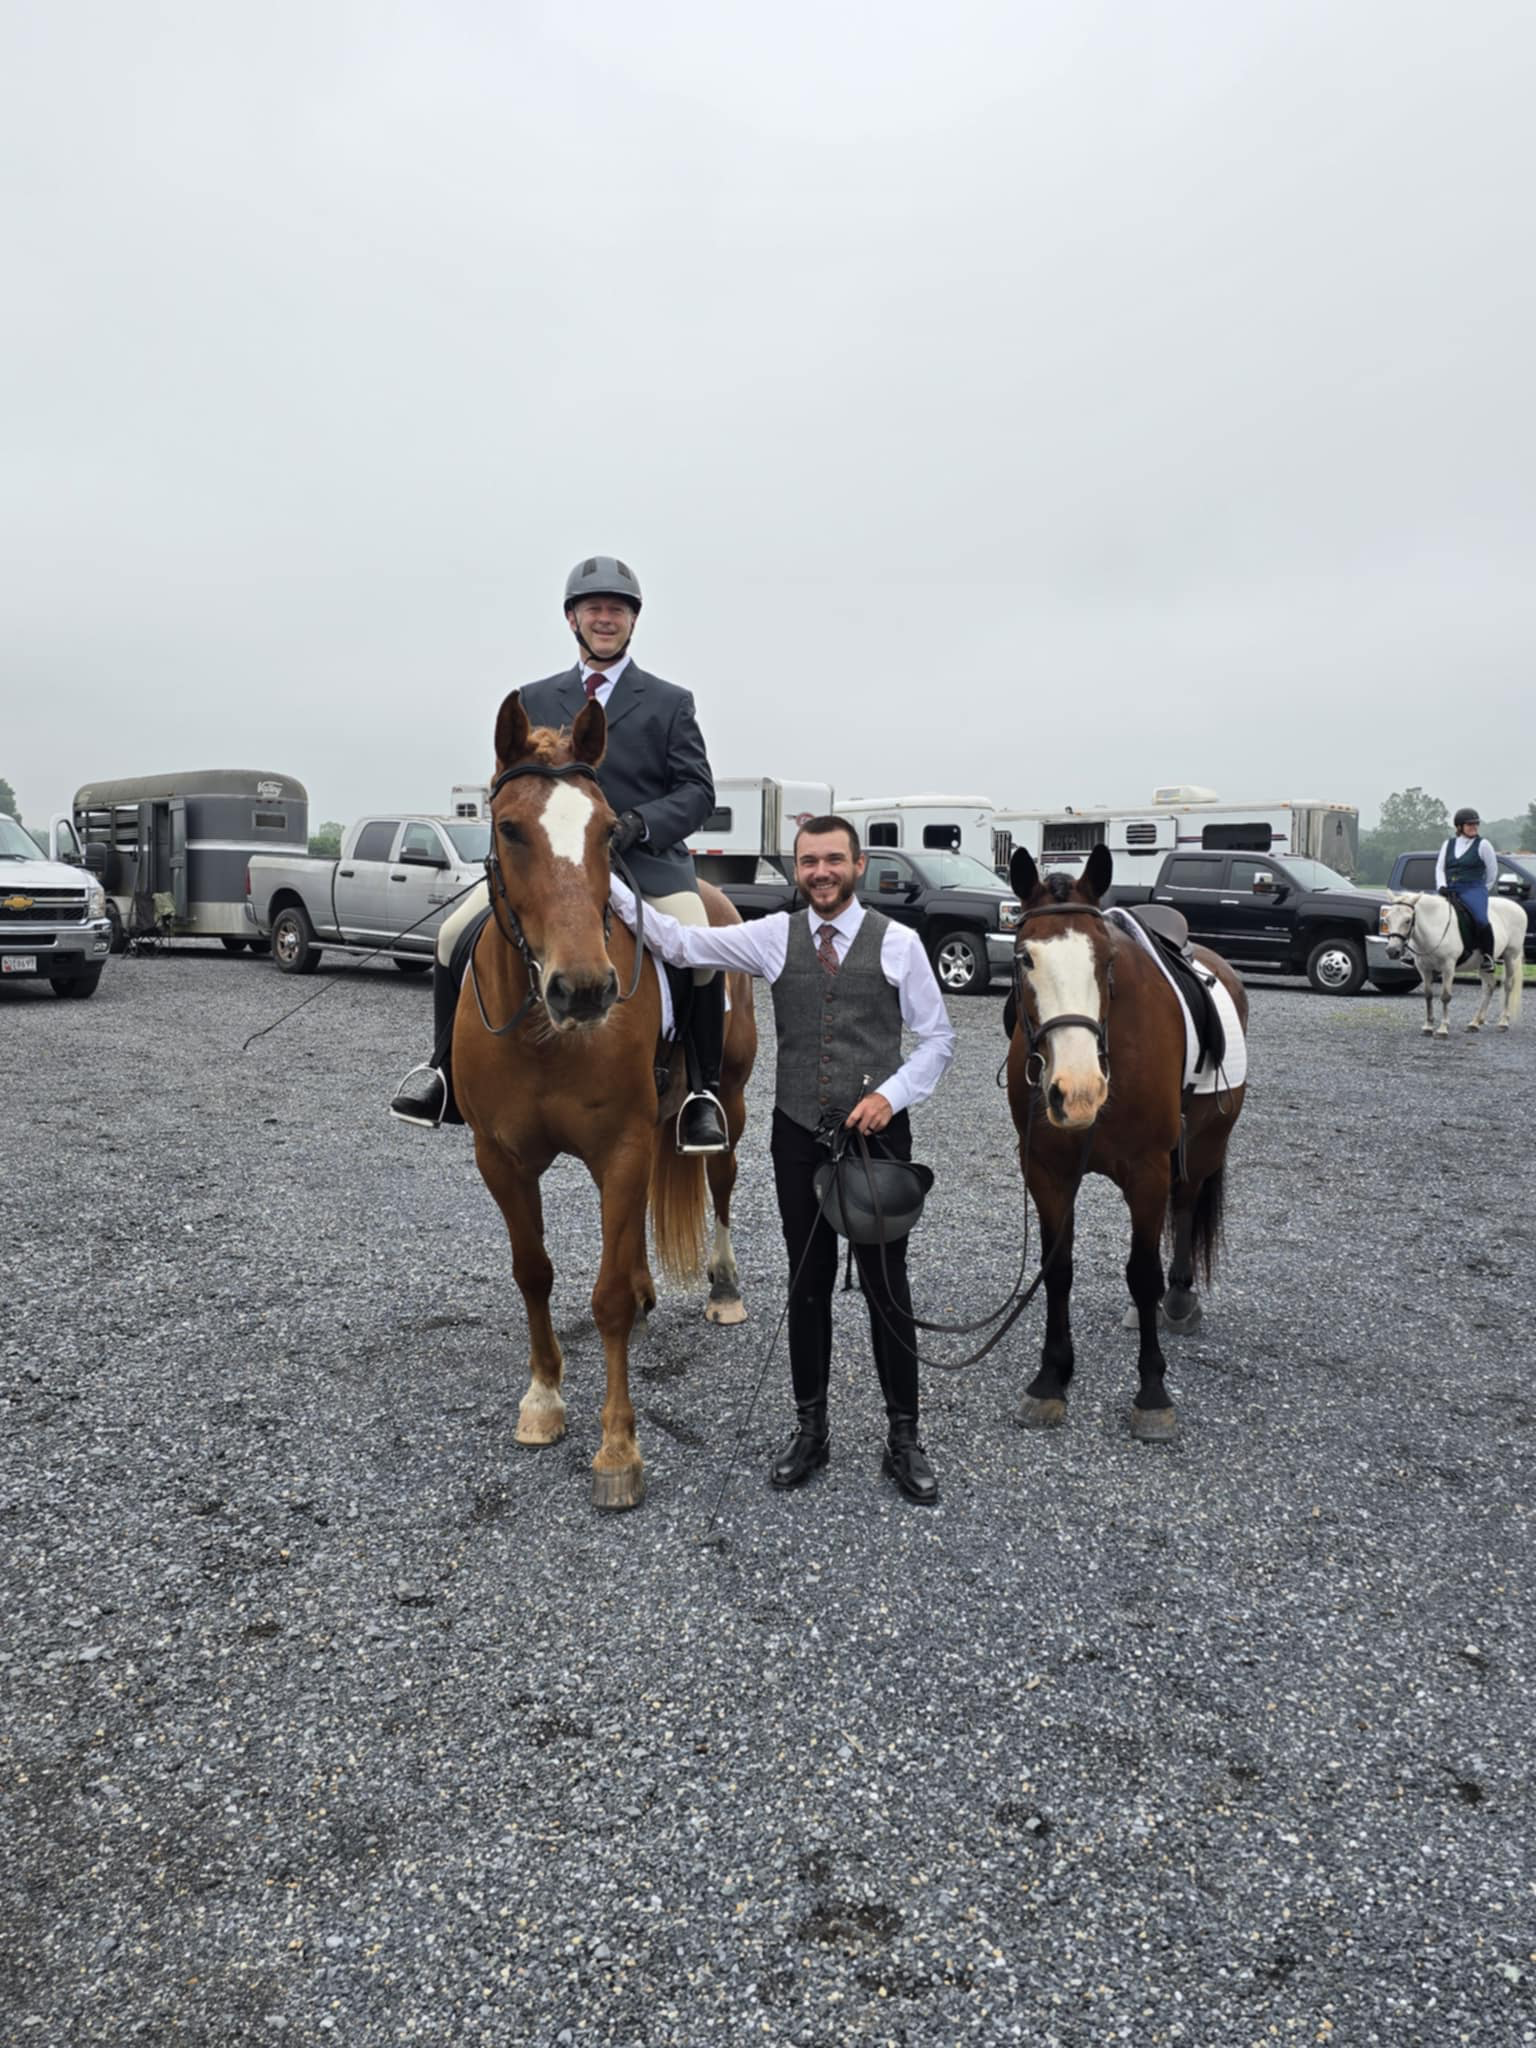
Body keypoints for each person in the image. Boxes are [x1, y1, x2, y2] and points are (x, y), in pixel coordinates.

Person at [611, 815, 956, 1504]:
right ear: (796, 871)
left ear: (858, 866)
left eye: (833, 860)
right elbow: (681, 943)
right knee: (807, 1284)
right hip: (797, 1135)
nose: (820, 872)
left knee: (889, 1289)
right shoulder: (775, 937)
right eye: (808, 862)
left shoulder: (902, 945)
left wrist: (890, 1095)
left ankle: (905, 1438)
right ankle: (811, 1429)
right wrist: (607, 884)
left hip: (877, 1138)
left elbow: (938, 1039)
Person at [389, 555, 730, 1152]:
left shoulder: (670, 701)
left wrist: (638, 824)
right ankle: (443, 1070)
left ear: (632, 622)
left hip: (644, 860)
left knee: (698, 946)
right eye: (595, 609)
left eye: (617, 610)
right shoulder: (537, 696)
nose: (606, 619)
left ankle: (700, 1091)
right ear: (573, 618)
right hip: (553, 863)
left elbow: (698, 790)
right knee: (451, 935)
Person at [1436, 807, 1499, 960]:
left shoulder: (1483, 844)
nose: (1474, 827)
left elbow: (1492, 872)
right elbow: (1440, 867)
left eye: (1476, 824)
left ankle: (1488, 956)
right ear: (1459, 827)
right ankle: (1413, 954)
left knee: (1480, 918)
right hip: (1449, 888)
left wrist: (1482, 889)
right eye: (1470, 824)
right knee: (1424, 912)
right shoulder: (1448, 844)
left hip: (1473, 888)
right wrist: (1441, 886)